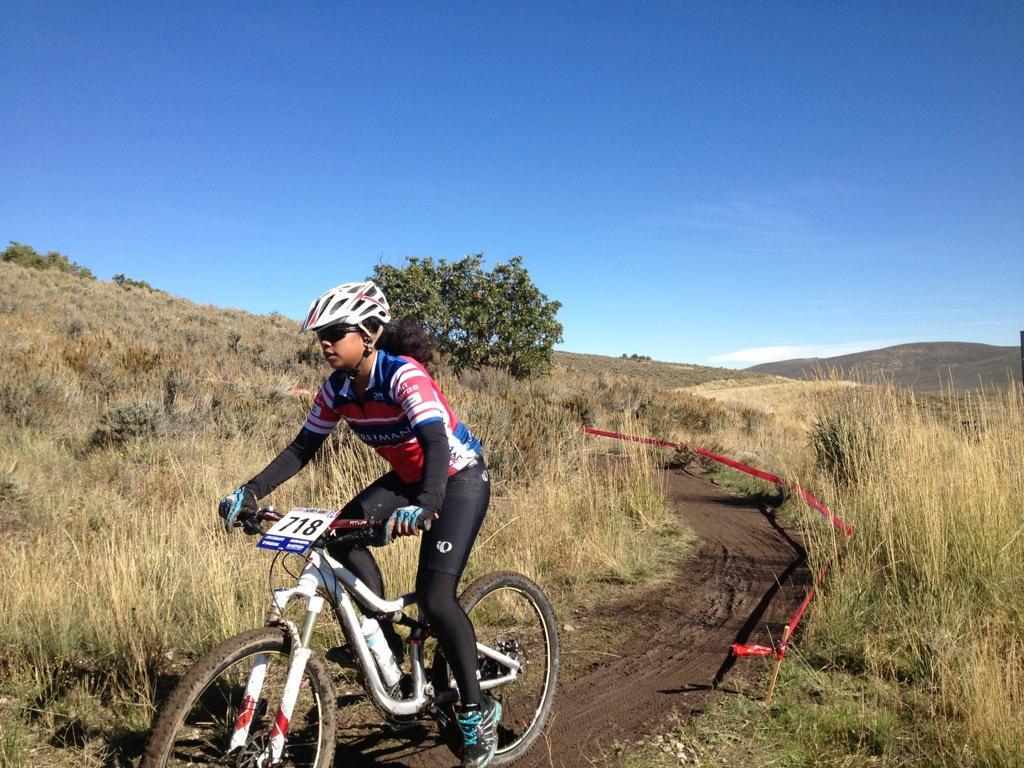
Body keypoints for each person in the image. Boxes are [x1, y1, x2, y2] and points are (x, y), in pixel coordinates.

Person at [218, 280, 501, 768]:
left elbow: (435, 442)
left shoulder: (404, 376)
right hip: (410, 479)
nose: (325, 343)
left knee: (435, 596)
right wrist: (251, 491)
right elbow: (302, 449)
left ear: (369, 334)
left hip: (456, 479)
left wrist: (428, 505)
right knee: (336, 538)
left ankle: (477, 710)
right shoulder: (337, 389)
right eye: (320, 335)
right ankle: (384, 643)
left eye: (335, 332)